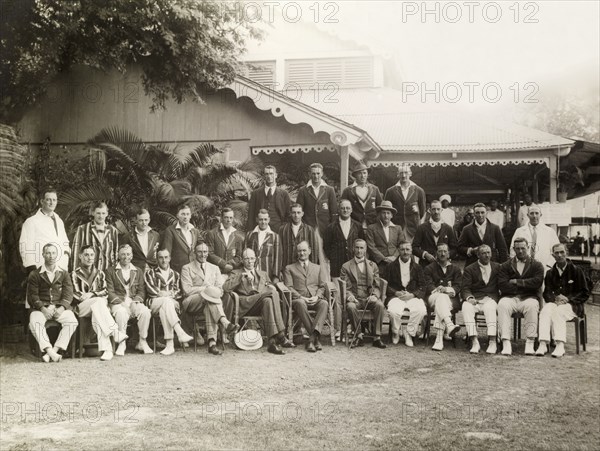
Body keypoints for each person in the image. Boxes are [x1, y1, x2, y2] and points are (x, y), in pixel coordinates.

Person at [223, 248, 294, 355]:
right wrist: (240, 278)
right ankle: (281, 334)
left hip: (260, 305)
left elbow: (270, 287)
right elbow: (226, 288)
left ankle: (272, 342)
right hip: (245, 304)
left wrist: (270, 287)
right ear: (242, 260)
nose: (250, 261)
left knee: (268, 301)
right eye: (247, 259)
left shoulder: (263, 274)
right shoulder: (236, 272)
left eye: (252, 258)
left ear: (255, 259)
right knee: (272, 294)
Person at [180, 242, 237, 354]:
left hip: (209, 302)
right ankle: (224, 321)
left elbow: (220, 290)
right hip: (192, 301)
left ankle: (212, 343)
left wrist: (209, 291)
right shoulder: (187, 268)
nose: (203, 254)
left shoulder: (215, 268)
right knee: (210, 294)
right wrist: (206, 289)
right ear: (195, 253)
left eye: (205, 252)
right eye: (200, 252)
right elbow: (187, 290)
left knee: (209, 303)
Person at [72, 245, 126, 361]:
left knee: (98, 311)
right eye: (86, 255)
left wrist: (91, 294)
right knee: (99, 302)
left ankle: (107, 350)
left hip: (97, 308)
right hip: (82, 308)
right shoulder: (74, 274)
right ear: (80, 256)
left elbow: (106, 291)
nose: (89, 258)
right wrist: (92, 296)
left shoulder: (100, 273)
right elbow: (75, 294)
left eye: (92, 255)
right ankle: (115, 332)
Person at [536, 243, 590, 358]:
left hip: (573, 306)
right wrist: (555, 299)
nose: (560, 255)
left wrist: (568, 299)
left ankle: (560, 344)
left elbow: (584, 293)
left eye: (562, 252)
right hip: (556, 304)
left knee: (559, 311)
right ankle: (543, 343)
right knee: (545, 310)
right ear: (553, 255)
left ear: (567, 253)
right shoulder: (550, 273)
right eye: (557, 253)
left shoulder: (576, 270)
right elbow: (547, 293)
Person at [28, 243, 77, 362]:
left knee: (72, 321)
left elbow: (68, 294)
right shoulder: (35, 274)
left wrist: (61, 308)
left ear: (57, 255)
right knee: (34, 322)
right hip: (41, 308)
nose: (51, 256)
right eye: (48, 253)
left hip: (59, 307)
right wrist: (43, 309)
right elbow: (33, 296)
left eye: (53, 253)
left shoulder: (64, 273)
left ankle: (52, 352)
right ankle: (49, 350)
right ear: (43, 254)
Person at [497, 238, 544, 356]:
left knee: (532, 306)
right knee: (502, 304)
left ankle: (530, 341)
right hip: (510, 297)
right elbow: (502, 284)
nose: (520, 251)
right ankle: (506, 341)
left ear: (528, 248)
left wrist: (517, 282)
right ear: (513, 249)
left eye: (523, 248)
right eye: (517, 248)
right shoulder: (505, 265)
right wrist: (523, 287)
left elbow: (537, 283)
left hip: (529, 297)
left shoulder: (537, 265)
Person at [322, 199, 362, 337]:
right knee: (338, 298)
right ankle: (338, 329)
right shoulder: (331, 227)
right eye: (342, 208)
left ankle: (351, 327)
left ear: (351, 210)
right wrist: (334, 258)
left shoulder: (357, 226)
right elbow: (326, 246)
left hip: (353, 268)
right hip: (337, 266)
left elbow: (361, 244)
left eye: (347, 208)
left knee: (352, 297)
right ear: (338, 210)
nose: (345, 210)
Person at [144, 249, 194, 355]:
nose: (164, 260)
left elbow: (179, 291)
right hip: (154, 303)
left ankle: (169, 345)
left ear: (170, 258)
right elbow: (150, 289)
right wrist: (167, 294)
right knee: (166, 302)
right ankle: (179, 331)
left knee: (165, 308)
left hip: (171, 304)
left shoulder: (175, 274)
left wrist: (168, 295)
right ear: (157, 259)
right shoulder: (150, 273)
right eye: (161, 257)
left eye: (166, 257)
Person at [106, 244, 153, 356]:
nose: (125, 257)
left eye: (128, 254)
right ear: (118, 255)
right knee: (121, 313)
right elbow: (110, 291)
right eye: (123, 254)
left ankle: (142, 341)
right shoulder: (111, 271)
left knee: (145, 312)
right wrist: (122, 304)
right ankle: (122, 343)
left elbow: (142, 290)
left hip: (133, 301)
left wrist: (135, 302)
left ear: (132, 256)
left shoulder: (138, 271)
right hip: (118, 302)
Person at [282, 241, 329, 352]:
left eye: (304, 250)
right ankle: (315, 338)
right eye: (299, 251)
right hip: (299, 300)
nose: (302, 253)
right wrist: (301, 297)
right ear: (297, 252)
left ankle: (311, 339)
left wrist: (317, 297)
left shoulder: (318, 268)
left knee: (324, 303)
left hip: (314, 299)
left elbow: (322, 286)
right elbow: (289, 287)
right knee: (300, 303)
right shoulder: (289, 268)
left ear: (310, 251)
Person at [340, 239, 387, 349]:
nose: (359, 250)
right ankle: (358, 336)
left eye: (362, 248)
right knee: (350, 307)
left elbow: (376, 284)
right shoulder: (346, 266)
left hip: (368, 298)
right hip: (355, 299)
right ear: (353, 249)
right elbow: (345, 286)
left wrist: (374, 296)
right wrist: (350, 296)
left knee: (380, 305)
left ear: (365, 250)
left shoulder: (373, 265)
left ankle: (377, 337)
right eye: (357, 247)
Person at [385, 241, 427, 347]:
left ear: (411, 251)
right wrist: (396, 292)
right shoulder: (390, 266)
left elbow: (423, 286)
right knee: (393, 311)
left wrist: (413, 295)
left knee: (421, 310)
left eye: (407, 249)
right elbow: (385, 284)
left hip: (412, 296)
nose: (405, 252)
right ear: (398, 250)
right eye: (402, 249)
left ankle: (409, 333)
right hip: (396, 296)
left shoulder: (417, 267)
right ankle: (396, 332)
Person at [460, 244, 500, 354]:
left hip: (490, 298)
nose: (487, 255)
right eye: (483, 253)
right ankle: (474, 340)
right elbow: (465, 288)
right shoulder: (470, 269)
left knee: (490, 308)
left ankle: (492, 341)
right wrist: (469, 298)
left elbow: (502, 284)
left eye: (488, 253)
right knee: (466, 307)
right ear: (478, 255)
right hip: (475, 298)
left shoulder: (497, 267)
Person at [19, 189, 70, 273]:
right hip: (40, 269)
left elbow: (65, 243)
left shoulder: (59, 221)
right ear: (42, 201)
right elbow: (25, 246)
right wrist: (31, 268)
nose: (51, 202)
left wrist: (65, 262)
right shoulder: (31, 222)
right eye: (48, 199)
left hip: (60, 269)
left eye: (54, 200)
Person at [423, 243, 462, 351]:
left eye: (445, 251)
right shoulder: (429, 268)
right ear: (436, 253)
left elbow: (458, 286)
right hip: (432, 297)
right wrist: (438, 290)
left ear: (449, 254)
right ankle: (449, 325)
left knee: (442, 300)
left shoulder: (455, 269)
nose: (442, 253)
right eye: (440, 251)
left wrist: (447, 290)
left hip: (451, 299)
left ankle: (439, 339)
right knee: (440, 298)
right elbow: (428, 284)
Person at [71, 201, 119, 271]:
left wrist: (114, 272)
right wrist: (75, 272)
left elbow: (116, 253)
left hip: (107, 272)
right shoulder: (83, 229)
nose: (101, 216)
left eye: (103, 213)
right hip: (89, 272)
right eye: (98, 213)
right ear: (93, 213)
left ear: (107, 214)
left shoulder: (113, 230)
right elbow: (76, 252)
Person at [384, 164, 426, 241]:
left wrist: (416, 212)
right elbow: (386, 210)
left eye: (406, 172)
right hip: (396, 227)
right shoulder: (390, 191)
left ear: (410, 173)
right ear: (397, 174)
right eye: (401, 173)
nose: (403, 175)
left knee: (411, 250)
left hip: (413, 229)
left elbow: (422, 211)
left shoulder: (419, 191)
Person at [510, 206, 560, 271]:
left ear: (541, 215)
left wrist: (549, 265)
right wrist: (518, 266)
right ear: (528, 215)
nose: (534, 216)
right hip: (523, 268)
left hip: (544, 268)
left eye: (537, 213)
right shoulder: (519, 231)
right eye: (532, 213)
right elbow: (512, 250)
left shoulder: (550, 231)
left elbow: (556, 250)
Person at [458, 203, 508, 267]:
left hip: (492, 264)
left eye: (482, 212)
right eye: (477, 213)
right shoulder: (467, 229)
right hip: (473, 265)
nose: (480, 215)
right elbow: (459, 248)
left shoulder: (495, 228)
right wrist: (471, 250)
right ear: (474, 214)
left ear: (486, 213)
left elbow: (502, 249)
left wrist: (503, 266)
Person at [296, 163, 338, 237]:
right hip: (308, 228)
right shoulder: (303, 190)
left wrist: (332, 229)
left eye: (318, 173)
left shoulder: (329, 190)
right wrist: (303, 227)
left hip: (325, 229)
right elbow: (299, 211)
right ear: (309, 174)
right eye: (313, 173)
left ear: (322, 173)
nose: (316, 176)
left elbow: (334, 212)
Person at [412, 200, 458, 268]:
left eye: (438, 209)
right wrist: (425, 254)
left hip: (444, 266)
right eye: (433, 209)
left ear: (441, 210)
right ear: (429, 210)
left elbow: (454, 249)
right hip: (425, 266)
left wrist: (445, 255)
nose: (436, 212)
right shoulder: (422, 228)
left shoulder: (448, 228)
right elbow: (414, 248)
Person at [247, 165, 291, 233]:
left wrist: (284, 229)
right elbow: (251, 215)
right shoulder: (256, 193)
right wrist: (250, 232)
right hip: (260, 230)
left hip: (278, 230)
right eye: (267, 174)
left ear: (276, 175)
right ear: (264, 176)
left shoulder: (284, 194)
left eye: (271, 173)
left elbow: (288, 215)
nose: (269, 176)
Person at [365, 200, 406, 274]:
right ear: (379, 214)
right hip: (378, 263)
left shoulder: (398, 228)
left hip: (395, 262)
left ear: (392, 215)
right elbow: (371, 246)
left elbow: (402, 245)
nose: (386, 215)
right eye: (383, 213)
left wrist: (394, 257)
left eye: (388, 213)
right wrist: (383, 258)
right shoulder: (371, 228)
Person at [205, 208, 245, 283]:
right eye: (226, 217)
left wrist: (230, 265)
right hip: (215, 270)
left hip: (232, 270)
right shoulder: (212, 233)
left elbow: (239, 255)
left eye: (231, 218)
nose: (228, 220)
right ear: (221, 218)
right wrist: (223, 264)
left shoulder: (238, 236)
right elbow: (209, 253)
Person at [160, 203, 202, 273]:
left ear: (190, 216)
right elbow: (167, 252)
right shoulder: (170, 230)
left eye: (187, 214)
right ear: (177, 216)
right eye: (183, 214)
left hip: (194, 269)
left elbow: (202, 247)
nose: (185, 217)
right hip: (178, 270)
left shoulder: (195, 231)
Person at [340, 162, 382, 229]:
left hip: (372, 225)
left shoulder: (374, 189)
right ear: (355, 175)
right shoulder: (348, 190)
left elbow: (380, 208)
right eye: (360, 173)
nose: (363, 176)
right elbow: (342, 208)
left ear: (367, 174)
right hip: (354, 226)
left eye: (364, 173)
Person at [278, 203, 319, 271]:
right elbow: (279, 251)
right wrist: (280, 270)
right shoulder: (283, 229)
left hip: (304, 268)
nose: (296, 215)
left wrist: (311, 269)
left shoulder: (309, 229)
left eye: (298, 212)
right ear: (290, 213)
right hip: (287, 267)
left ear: (302, 214)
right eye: (294, 213)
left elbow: (314, 251)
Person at [245, 209, 282, 282]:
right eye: (261, 219)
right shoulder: (249, 235)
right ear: (257, 220)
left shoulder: (274, 236)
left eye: (265, 219)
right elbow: (245, 254)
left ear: (269, 220)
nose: (263, 222)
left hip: (267, 273)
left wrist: (276, 276)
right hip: (251, 272)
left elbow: (278, 258)